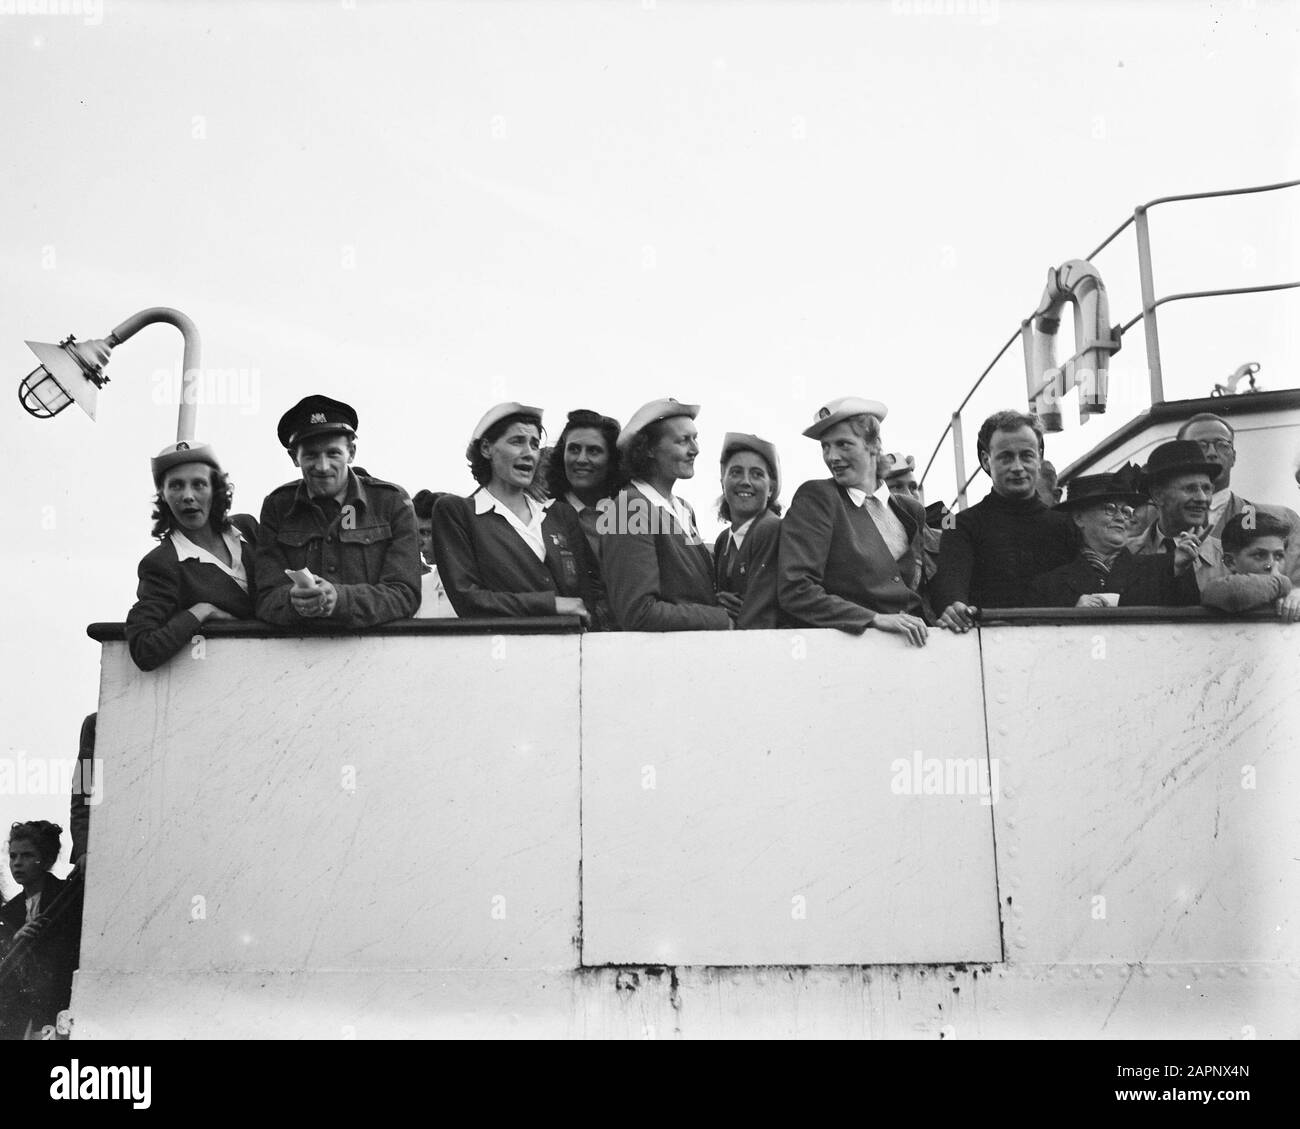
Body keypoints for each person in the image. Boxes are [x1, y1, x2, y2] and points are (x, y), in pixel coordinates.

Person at [254, 396, 422, 628]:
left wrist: (340, 600)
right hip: (297, 655)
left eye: (333, 453)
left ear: (351, 453)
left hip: (376, 654)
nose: (322, 467)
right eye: (311, 455)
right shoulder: (277, 507)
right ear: (294, 457)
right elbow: (265, 598)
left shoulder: (391, 502)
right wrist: (291, 601)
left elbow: (405, 594)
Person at [777, 397, 929, 645]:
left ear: (874, 444)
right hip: (850, 651)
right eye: (825, 447)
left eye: (843, 444)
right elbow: (796, 589)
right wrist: (873, 618)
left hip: (914, 648)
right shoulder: (818, 498)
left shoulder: (911, 511)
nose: (832, 456)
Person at [432, 403, 601, 623]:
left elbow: (590, 590)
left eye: (534, 444)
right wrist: (551, 604)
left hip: (572, 648)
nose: (529, 453)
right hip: (505, 648)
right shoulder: (458, 512)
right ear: (486, 449)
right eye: (517, 442)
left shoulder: (560, 514)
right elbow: (468, 598)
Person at [931, 409, 1076, 632]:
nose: (1017, 467)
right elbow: (950, 589)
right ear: (986, 461)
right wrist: (954, 608)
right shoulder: (962, 526)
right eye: (1006, 457)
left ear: (1039, 458)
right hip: (988, 651)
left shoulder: (1066, 526)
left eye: (1026, 455)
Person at [125, 441, 258, 672]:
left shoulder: (247, 528)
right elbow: (144, 649)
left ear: (215, 489)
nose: (188, 496)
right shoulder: (162, 563)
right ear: (163, 495)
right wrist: (201, 611)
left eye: (199, 484)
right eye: (176, 486)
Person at [600, 398, 731, 631]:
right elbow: (638, 612)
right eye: (683, 441)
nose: (695, 450)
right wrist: (721, 618)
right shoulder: (627, 508)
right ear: (648, 449)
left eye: (695, 438)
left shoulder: (684, 508)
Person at [1026, 470, 1199, 608]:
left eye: (1126, 511)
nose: (1121, 518)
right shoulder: (1048, 586)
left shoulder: (1161, 569)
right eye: (1110, 509)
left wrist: (1181, 567)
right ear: (1079, 518)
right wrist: (1072, 613)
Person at [1176, 412, 1300, 584]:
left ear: (1234, 457)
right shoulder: (1153, 526)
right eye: (1200, 445)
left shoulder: (1283, 519)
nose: (1212, 453)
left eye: (1222, 445)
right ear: (1180, 458)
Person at [0, 822, 82, 1040]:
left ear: (47, 860)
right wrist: (14, 942)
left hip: (59, 1010)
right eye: (13, 856)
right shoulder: (9, 912)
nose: (17, 864)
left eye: (27, 856)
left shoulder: (67, 899)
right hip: (21, 1017)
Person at [1125, 439, 1225, 586]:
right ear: (1158, 496)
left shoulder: (1227, 557)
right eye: (1190, 489)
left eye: (1206, 488)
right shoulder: (1125, 554)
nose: (1202, 498)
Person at [714, 432, 782, 629]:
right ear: (722, 482)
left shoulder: (771, 528)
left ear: (771, 488)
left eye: (757, 474)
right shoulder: (723, 540)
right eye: (735, 472)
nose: (745, 481)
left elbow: (760, 615)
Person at [543, 409, 622, 558]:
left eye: (593, 451)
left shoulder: (630, 511)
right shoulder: (543, 513)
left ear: (612, 459)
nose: (581, 459)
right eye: (573, 449)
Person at [1200, 512, 1300, 620]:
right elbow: (1233, 595)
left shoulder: (1291, 595)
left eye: (1278, 556)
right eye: (1260, 555)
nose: (1271, 564)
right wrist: (1282, 583)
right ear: (1230, 562)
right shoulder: (1218, 589)